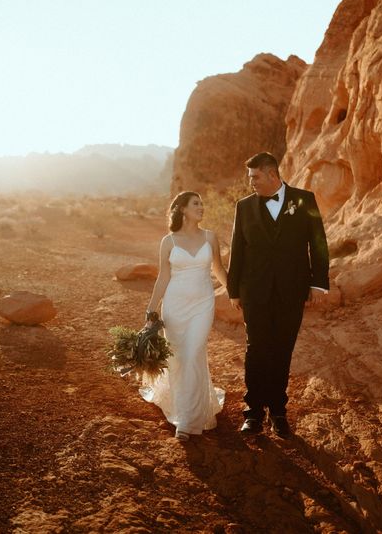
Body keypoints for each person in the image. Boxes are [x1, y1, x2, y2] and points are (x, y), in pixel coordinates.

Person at [227, 152, 329, 437]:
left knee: (282, 350)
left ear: (272, 174)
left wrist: (318, 284)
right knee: (256, 350)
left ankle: (279, 412)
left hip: (291, 290)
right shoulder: (244, 206)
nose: (252, 184)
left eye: (255, 177)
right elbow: (238, 249)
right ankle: (254, 414)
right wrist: (234, 290)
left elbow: (318, 243)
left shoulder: (304, 199)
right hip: (255, 291)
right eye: (250, 178)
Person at [140, 191, 227, 441]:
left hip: (203, 304)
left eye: (202, 203)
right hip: (175, 306)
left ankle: (186, 422)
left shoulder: (210, 237)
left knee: (191, 354)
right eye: (196, 204)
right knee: (178, 358)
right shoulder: (169, 241)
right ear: (182, 210)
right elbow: (163, 277)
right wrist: (152, 309)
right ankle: (183, 406)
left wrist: (236, 294)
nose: (202, 207)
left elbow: (218, 269)